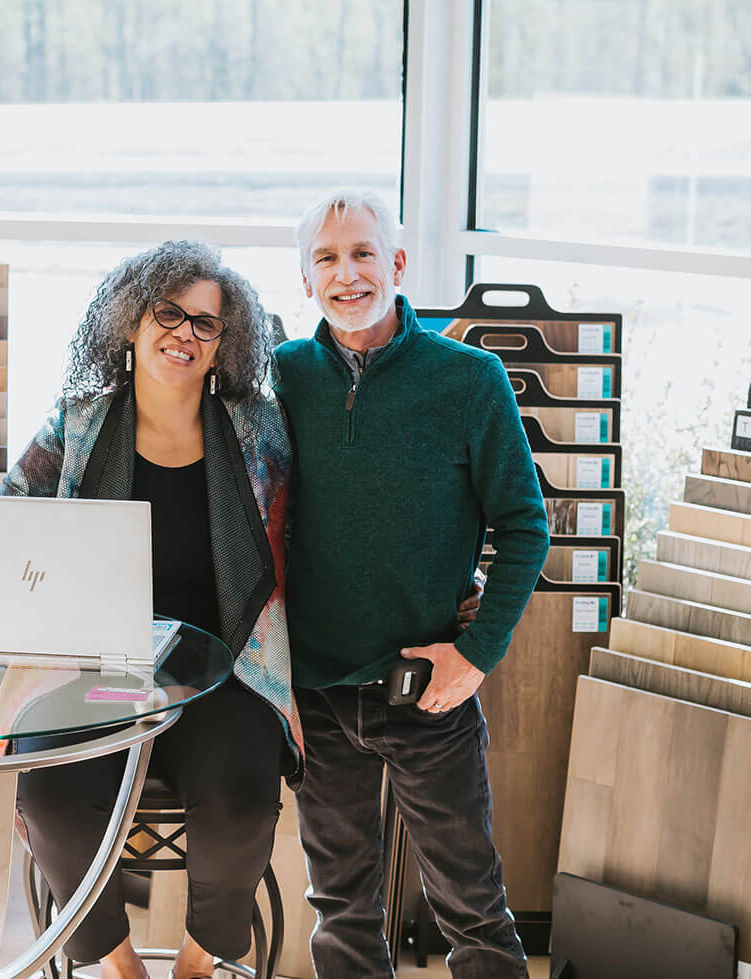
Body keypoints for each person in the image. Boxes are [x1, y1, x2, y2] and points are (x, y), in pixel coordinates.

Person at [0, 240, 303, 979]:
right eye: (169, 313)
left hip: (224, 668)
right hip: (90, 671)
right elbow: (5, 535)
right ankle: (121, 966)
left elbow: (304, 542)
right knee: (56, 801)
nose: (185, 335)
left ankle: (196, 964)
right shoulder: (74, 425)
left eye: (207, 324)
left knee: (240, 802)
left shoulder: (257, 431)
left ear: (226, 345)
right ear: (129, 321)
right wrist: (17, 669)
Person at [272, 191, 551, 979]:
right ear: (304, 280)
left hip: (429, 689)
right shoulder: (283, 377)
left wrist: (475, 654)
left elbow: (525, 526)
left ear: (395, 264)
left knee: (470, 904)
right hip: (319, 693)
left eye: (362, 253)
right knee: (339, 906)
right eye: (325, 258)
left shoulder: (468, 379)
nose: (346, 272)